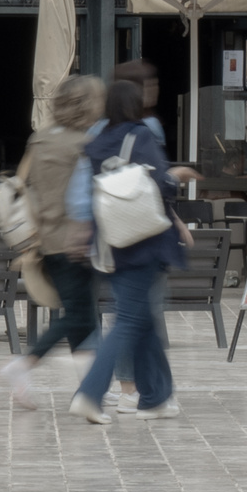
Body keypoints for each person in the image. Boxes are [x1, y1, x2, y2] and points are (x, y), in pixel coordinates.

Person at [69, 80, 197, 424]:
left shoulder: (96, 143)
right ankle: (91, 393)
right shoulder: (139, 136)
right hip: (145, 240)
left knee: (141, 321)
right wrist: (178, 175)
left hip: (112, 241)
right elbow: (159, 183)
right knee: (128, 320)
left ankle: (156, 397)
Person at [0, 75, 106, 408]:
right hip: (76, 237)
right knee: (78, 314)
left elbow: (24, 185)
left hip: (45, 238)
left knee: (81, 313)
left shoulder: (39, 140)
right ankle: (24, 364)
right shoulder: (85, 144)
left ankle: (89, 388)